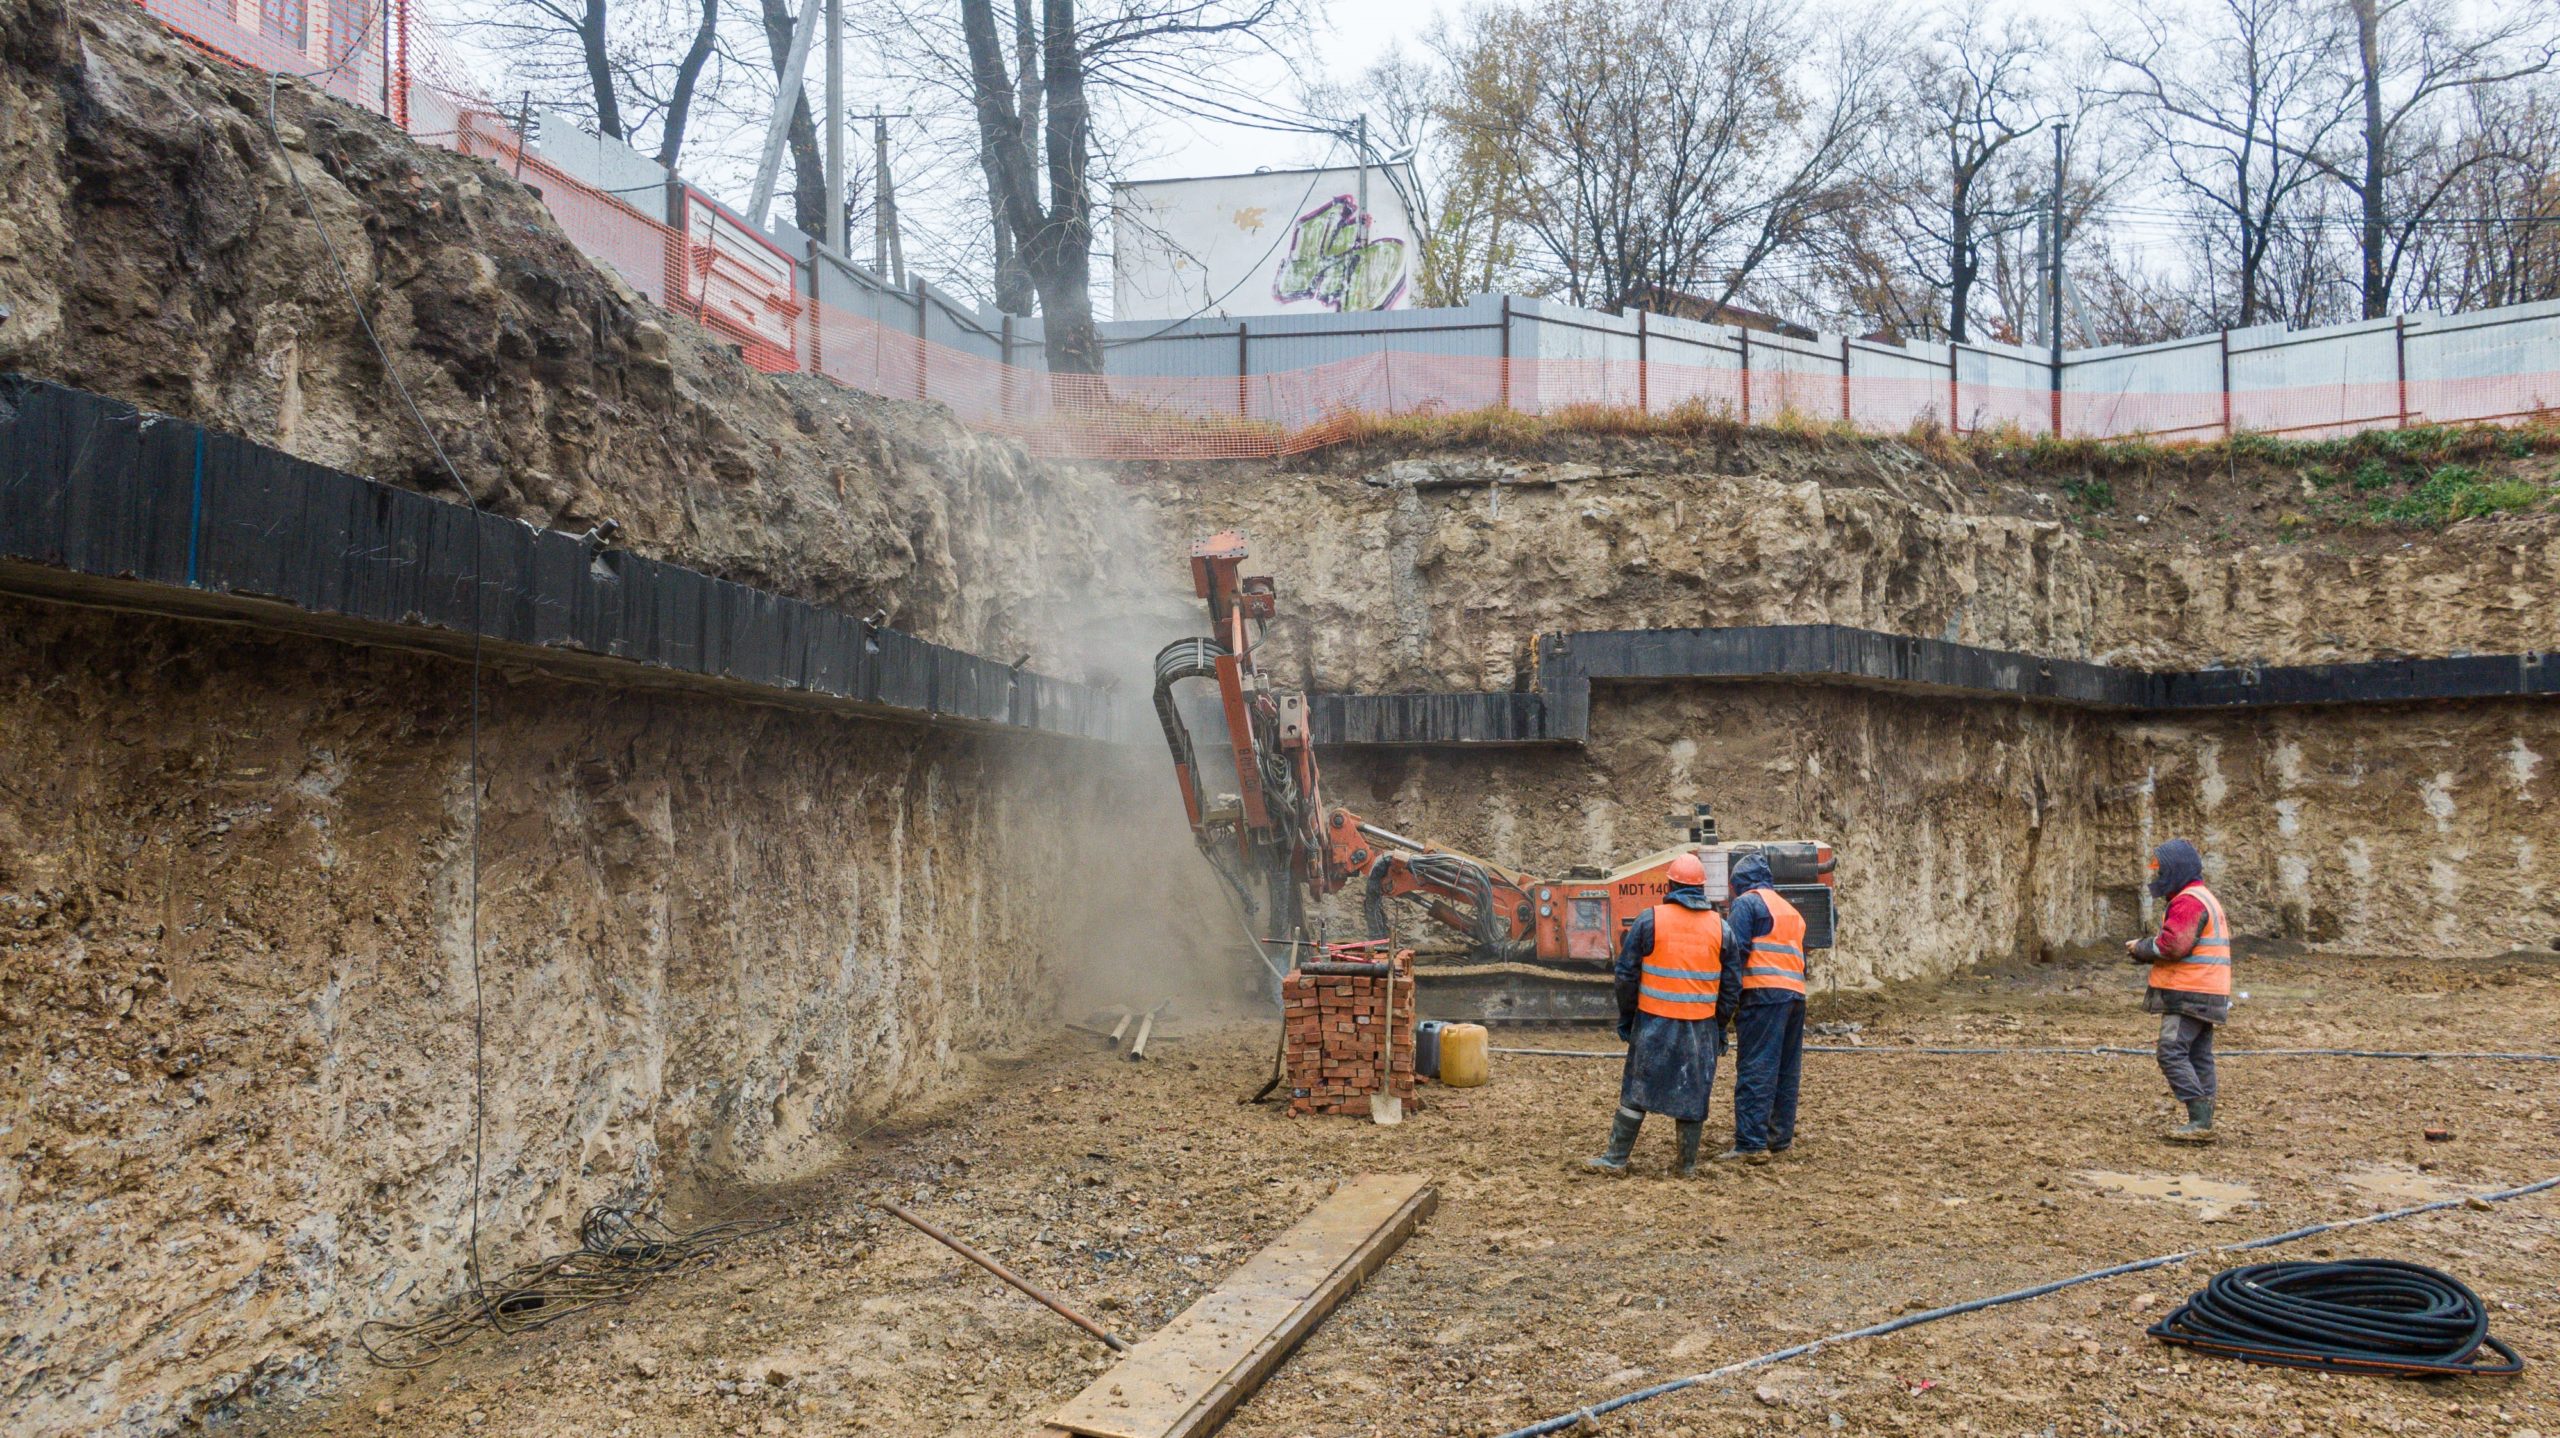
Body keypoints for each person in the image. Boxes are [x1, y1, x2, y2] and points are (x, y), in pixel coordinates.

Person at [1585, 852, 1741, 1178]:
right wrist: (1719, 1027)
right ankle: (1686, 1166)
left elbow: (1625, 975)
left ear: (1668, 885)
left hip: (1653, 1021)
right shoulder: (1722, 929)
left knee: (1636, 1091)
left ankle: (1615, 1160)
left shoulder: (1649, 920)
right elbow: (1731, 987)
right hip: (1699, 1028)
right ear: (1702, 888)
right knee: (1693, 1094)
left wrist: (1628, 1018)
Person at [2127, 838, 2232, 1144]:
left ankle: (2199, 1117)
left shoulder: (2188, 900)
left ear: (2176, 870)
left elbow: (2174, 945)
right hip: (2209, 991)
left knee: (2171, 1050)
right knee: (2199, 1055)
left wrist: (2142, 947)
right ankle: (2203, 1119)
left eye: (2161, 870)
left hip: (2189, 993)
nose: (2157, 877)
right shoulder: (2203, 896)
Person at [1719, 852, 1808, 1165]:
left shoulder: (1747, 903)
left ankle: (1751, 1143)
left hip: (1763, 995)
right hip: (1795, 996)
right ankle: (1778, 1137)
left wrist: (1725, 1003)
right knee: (1786, 1069)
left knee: (1756, 1066)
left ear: (1738, 883)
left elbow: (1734, 954)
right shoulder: (1790, 910)